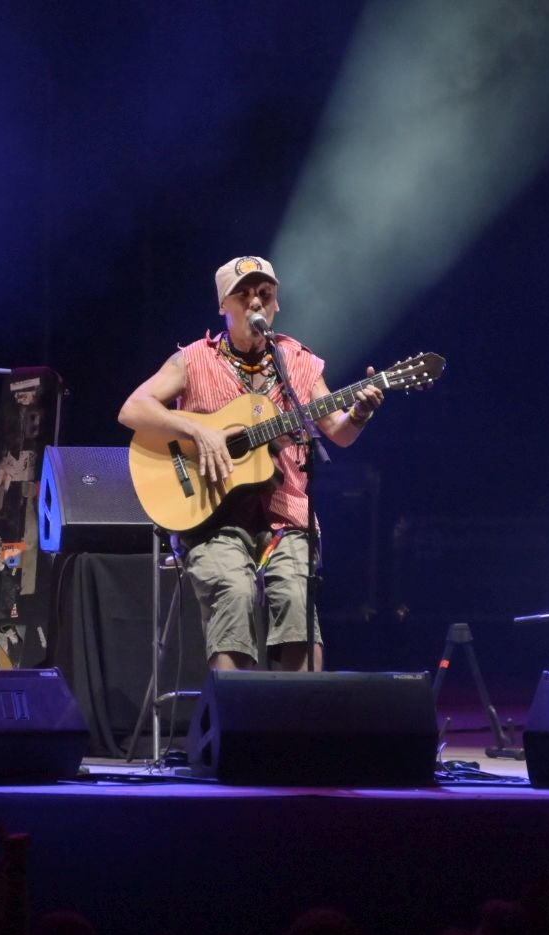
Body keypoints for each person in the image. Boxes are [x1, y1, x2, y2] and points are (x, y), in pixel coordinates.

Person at [118, 256, 384, 671]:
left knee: (297, 598)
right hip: (210, 518)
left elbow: (338, 431)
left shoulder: (297, 361)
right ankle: (239, 725)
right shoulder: (193, 359)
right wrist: (197, 430)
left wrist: (362, 412)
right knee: (234, 590)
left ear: (276, 304)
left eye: (265, 294)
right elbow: (133, 408)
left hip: (287, 514)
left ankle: (301, 727)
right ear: (223, 305)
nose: (255, 303)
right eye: (243, 296)